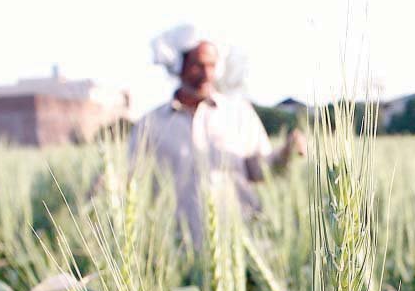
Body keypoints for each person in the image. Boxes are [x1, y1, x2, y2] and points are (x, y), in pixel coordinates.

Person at [129, 24, 305, 246]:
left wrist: (285, 153)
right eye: (197, 65)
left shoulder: (239, 113)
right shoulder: (151, 124)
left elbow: (260, 170)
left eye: (212, 65)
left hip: (243, 242)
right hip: (178, 249)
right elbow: (133, 181)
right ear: (178, 64)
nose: (206, 73)